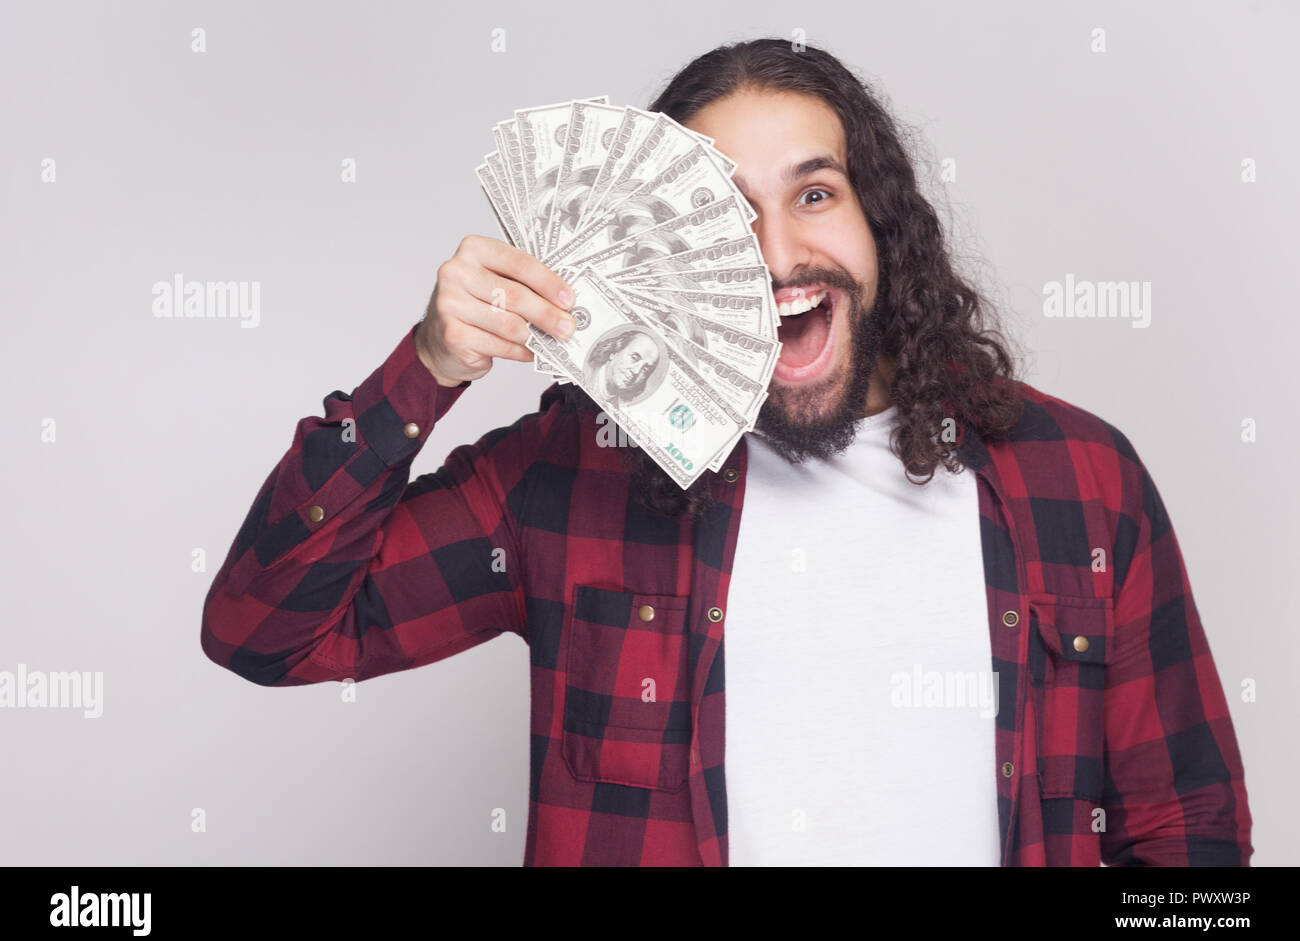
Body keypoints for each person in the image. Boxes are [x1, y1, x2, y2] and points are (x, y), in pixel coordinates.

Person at [200, 38, 1252, 867]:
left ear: (879, 221)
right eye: (720, 214)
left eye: (813, 194)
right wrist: (425, 369)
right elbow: (267, 629)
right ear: (664, 253)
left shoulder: (1078, 477)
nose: (776, 256)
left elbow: (1187, 825)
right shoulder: (572, 473)